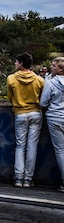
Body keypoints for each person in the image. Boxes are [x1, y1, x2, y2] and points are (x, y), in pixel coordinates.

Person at [7, 52, 45, 188]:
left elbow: (9, 97)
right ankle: (28, 178)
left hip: (20, 113)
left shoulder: (11, 79)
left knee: (20, 146)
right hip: (35, 113)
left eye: (16, 62)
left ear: (21, 64)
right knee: (32, 147)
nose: (15, 64)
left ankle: (18, 177)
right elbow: (43, 98)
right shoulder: (39, 80)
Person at [40, 57, 64, 193]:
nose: (51, 67)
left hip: (55, 117)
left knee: (60, 150)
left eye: (54, 66)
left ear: (60, 69)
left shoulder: (51, 83)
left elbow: (43, 102)